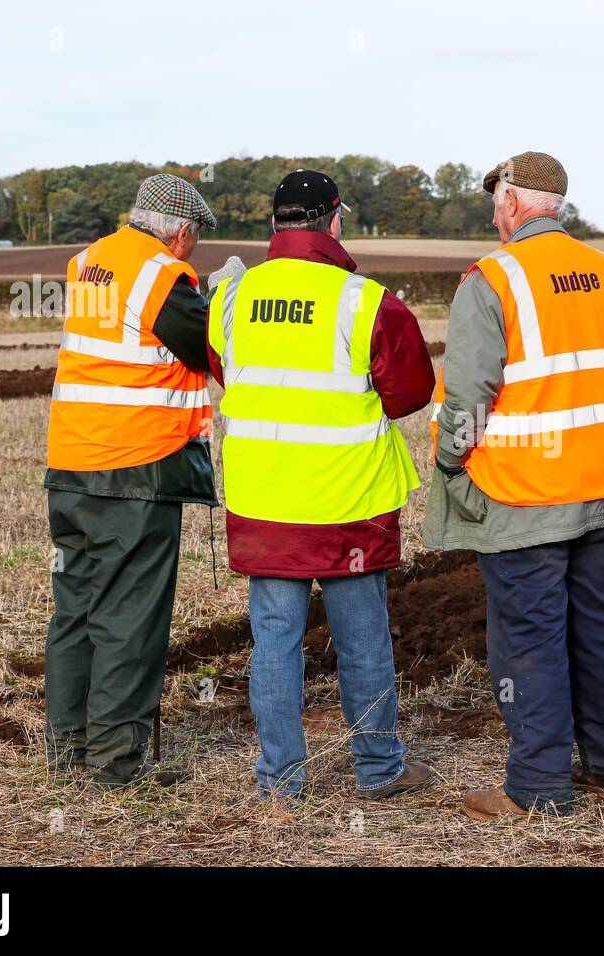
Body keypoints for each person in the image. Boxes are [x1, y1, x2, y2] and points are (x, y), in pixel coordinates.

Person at [424, 151, 604, 821]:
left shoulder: (490, 278)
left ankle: (538, 787)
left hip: (526, 495)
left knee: (529, 642)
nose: (494, 211)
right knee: (601, 632)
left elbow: (468, 392)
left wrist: (448, 461)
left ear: (514, 204)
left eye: (497, 199)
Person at [206, 170, 436, 802]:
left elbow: (227, 371)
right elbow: (412, 391)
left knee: (273, 645)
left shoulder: (232, 298)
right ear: (335, 220)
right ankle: (379, 768)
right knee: (362, 641)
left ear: (274, 225)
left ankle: (280, 782)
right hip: (346, 503)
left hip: (264, 502)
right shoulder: (365, 300)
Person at [45, 173, 218, 787]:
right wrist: (222, 297)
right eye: (195, 238)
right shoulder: (160, 272)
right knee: (130, 615)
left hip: (70, 465)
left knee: (77, 607)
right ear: (182, 230)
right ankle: (116, 761)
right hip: (135, 470)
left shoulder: (88, 261)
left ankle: (67, 746)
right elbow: (205, 345)